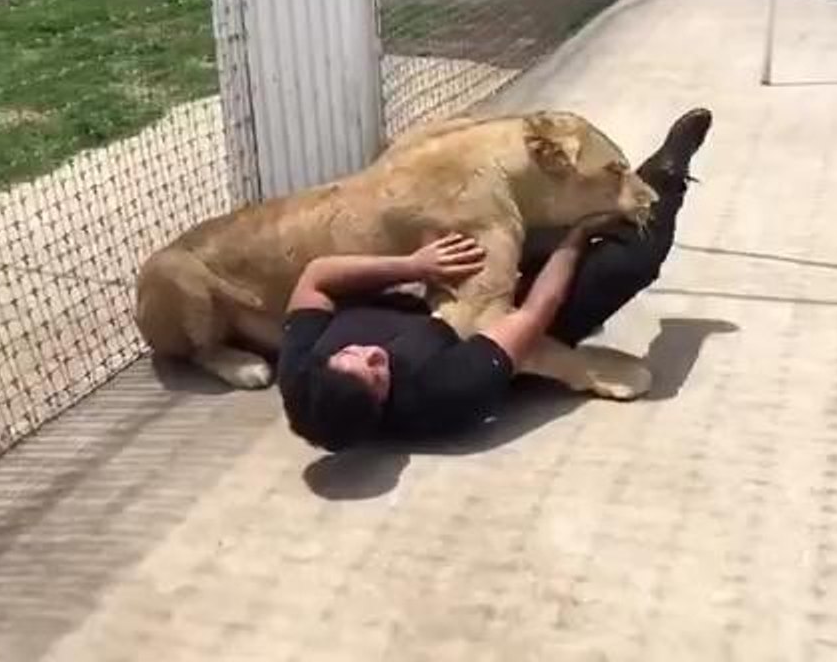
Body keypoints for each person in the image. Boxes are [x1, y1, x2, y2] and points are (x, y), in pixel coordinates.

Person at [276, 108, 713, 452]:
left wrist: (414, 266)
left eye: (352, 354)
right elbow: (535, 311)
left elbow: (315, 277)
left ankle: (608, 192)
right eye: (377, 371)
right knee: (628, 262)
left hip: (432, 277)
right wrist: (575, 239)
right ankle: (666, 178)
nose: (372, 353)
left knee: (504, 218)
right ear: (382, 402)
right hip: (504, 326)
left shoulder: (302, 376)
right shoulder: (441, 393)